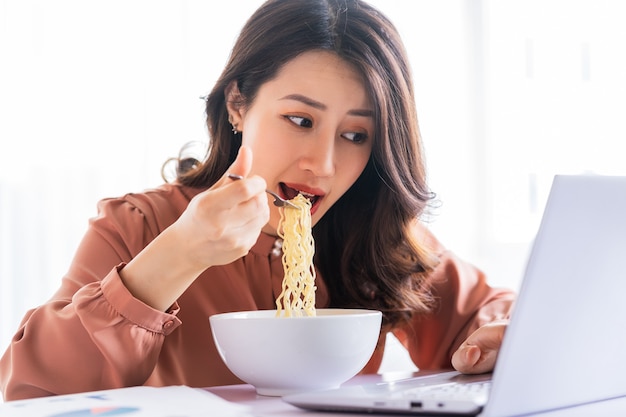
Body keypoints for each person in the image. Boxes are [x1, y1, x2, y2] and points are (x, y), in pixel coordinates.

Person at [0, 0, 515, 401]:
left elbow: (493, 317)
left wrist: (501, 334)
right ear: (238, 104)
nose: (324, 165)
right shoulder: (140, 225)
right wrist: (180, 253)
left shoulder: (377, 235)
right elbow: (28, 391)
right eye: (300, 120)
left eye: (355, 135)